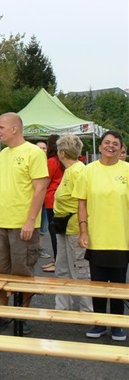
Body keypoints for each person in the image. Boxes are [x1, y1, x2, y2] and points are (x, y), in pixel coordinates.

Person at [0, 113, 48, 334]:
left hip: (23, 225)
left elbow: (40, 188)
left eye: (1, 127)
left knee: (22, 272)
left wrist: (30, 221)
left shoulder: (33, 153)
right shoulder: (3, 154)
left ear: (14, 129)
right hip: (1, 223)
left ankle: (22, 315)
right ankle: (2, 314)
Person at [76, 130, 129, 341]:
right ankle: (98, 323)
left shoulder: (127, 170)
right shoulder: (88, 171)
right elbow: (82, 203)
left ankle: (117, 325)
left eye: (115, 143)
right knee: (97, 284)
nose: (111, 146)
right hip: (96, 237)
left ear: (121, 148)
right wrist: (83, 230)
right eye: (107, 142)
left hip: (121, 238)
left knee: (117, 284)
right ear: (100, 147)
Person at [51, 134, 91, 313]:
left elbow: (83, 200)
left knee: (80, 268)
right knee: (62, 267)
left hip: (75, 226)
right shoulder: (71, 170)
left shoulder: (77, 171)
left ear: (62, 153)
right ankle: (62, 306)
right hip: (64, 225)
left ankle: (87, 308)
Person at [41, 134, 64, 272]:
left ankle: (57, 262)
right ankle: (58, 260)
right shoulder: (64, 160)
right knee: (60, 234)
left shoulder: (51, 161)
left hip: (51, 199)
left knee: (54, 233)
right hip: (62, 200)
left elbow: (45, 182)